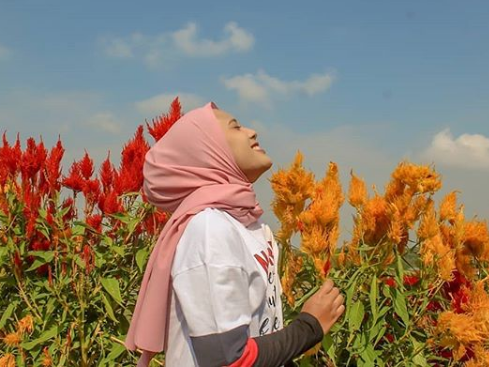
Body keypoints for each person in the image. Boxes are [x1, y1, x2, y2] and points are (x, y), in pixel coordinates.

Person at [125, 101, 345, 367]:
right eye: (236, 127)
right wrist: (310, 326)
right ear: (209, 151)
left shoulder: (250, 226)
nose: (252, 132)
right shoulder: (210, 228)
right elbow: (229, 359)